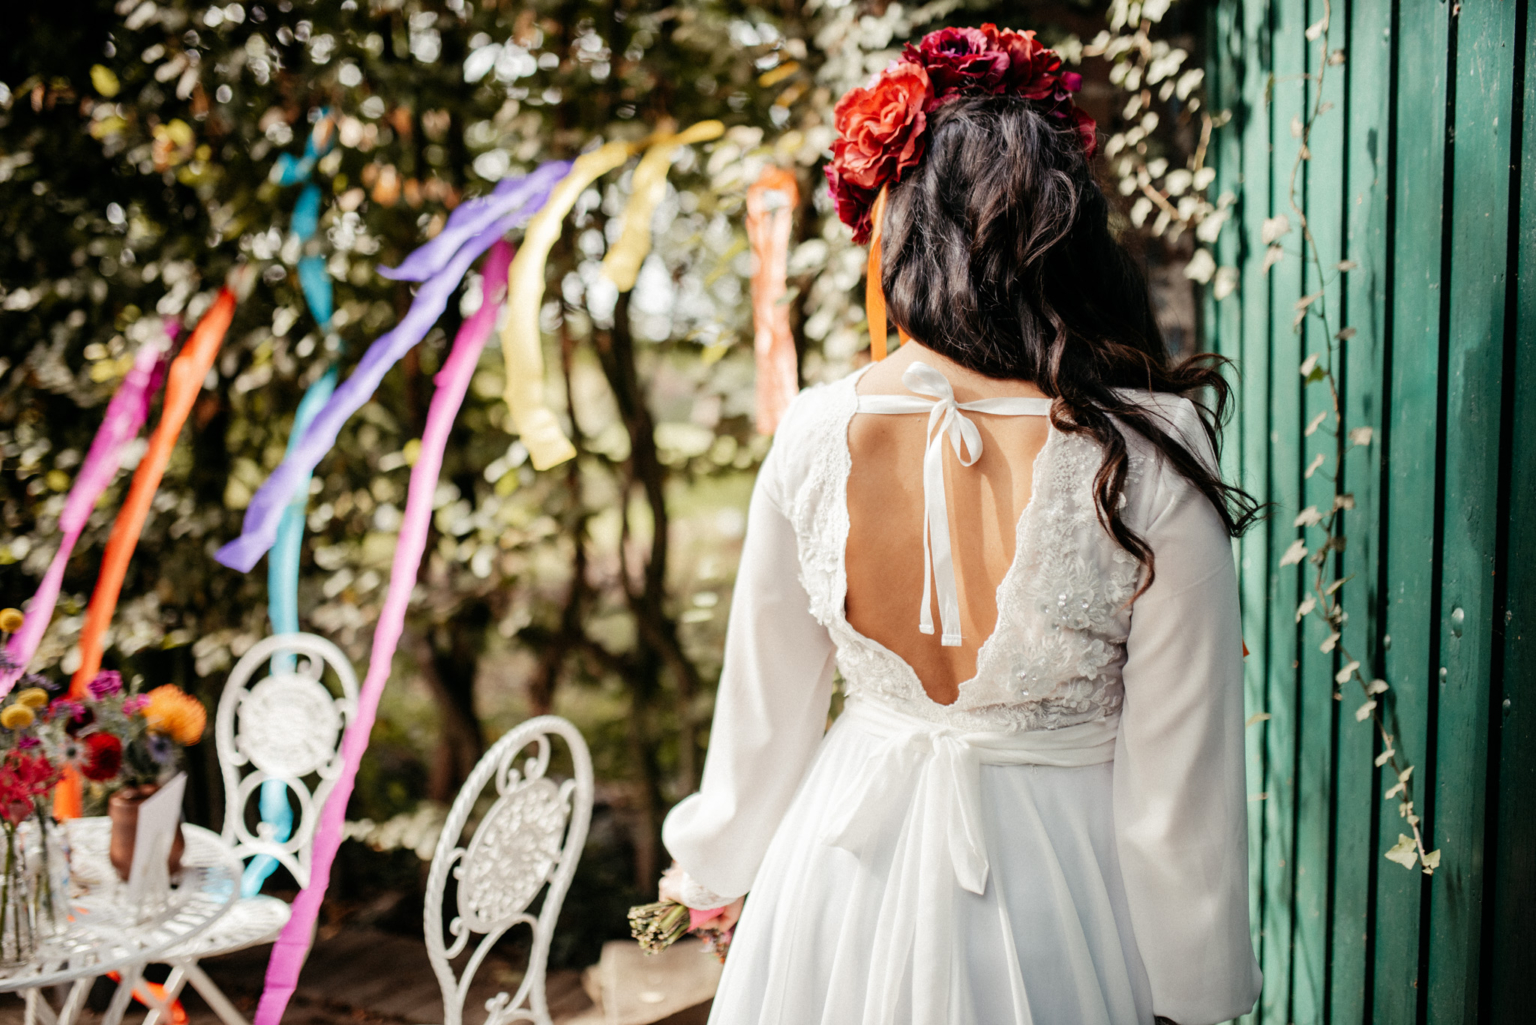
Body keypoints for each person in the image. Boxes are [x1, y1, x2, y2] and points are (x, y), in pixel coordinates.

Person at [659, 24, 1264, 1025]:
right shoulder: (1153, 446)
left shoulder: (814, 433)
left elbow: (763, 718)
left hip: (836, 884)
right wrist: (1192, 991)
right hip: (1065, 895)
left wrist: (711, 870)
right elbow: (1178, 785)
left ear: (902, 227)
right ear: (1069, 238)